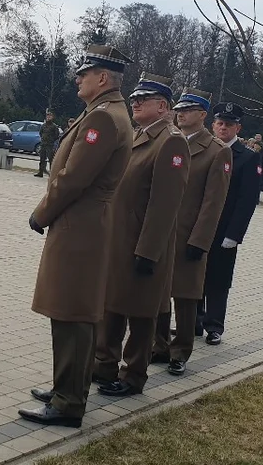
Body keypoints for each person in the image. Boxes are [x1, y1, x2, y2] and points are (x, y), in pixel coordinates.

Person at [19, 44, 133, 428]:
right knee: (70, 312)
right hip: (82, 225)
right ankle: (67, 388)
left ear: (102, 78)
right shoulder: (105, 113)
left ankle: (68, 402)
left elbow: (73, 179)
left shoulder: (103, 118)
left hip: (79, 226)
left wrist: (41, 213)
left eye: (84, 73)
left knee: (72, 313)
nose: (77, 78)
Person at [91, 75, 189, 396]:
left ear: (162, 106)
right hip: (119, 239)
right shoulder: (138, 135)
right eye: (133, 99)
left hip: (143, 243)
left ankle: (133, 375)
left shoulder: (171, 141)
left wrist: (148, 251)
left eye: (141, 100)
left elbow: (165, 203)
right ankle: (104, 364)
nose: (134, 103)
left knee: (141, 313)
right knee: (112, 305)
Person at [153, 89, 230, 377]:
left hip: (188, 235)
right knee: (158, 292)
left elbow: (213, 203)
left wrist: (200, 241)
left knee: (185, 296)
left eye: (188, 109)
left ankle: (180, 351)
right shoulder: (169, 141)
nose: (180, 113)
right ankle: (158, 345)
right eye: (179, 108)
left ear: (202, 115)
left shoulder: (216, 150)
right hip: (160, 231)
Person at [198, 103, 261, 345]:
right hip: (199, 225)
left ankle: (214, 325)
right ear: (213, 125)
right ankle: (193, 321)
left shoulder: (247, 157)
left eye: (229, 124)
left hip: (224, 229)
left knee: (218, 278)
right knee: (195, 275)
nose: (223, 128)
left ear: (238, 128)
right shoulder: (206, 150)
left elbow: (247, 200)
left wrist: (234, 234)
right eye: (220, 123)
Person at [36, 110, 60, 178]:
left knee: (51, 159)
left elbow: (56, 135)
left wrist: (51, 140)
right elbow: (41, 133)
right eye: (47, 116)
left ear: (52, 117)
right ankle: (40, 172)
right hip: (43, 144)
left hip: (50, 145)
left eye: (50, 116)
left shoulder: (54, 126)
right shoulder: (43, 125)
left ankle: (52, 174)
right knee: (42, 159)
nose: (48, 117)